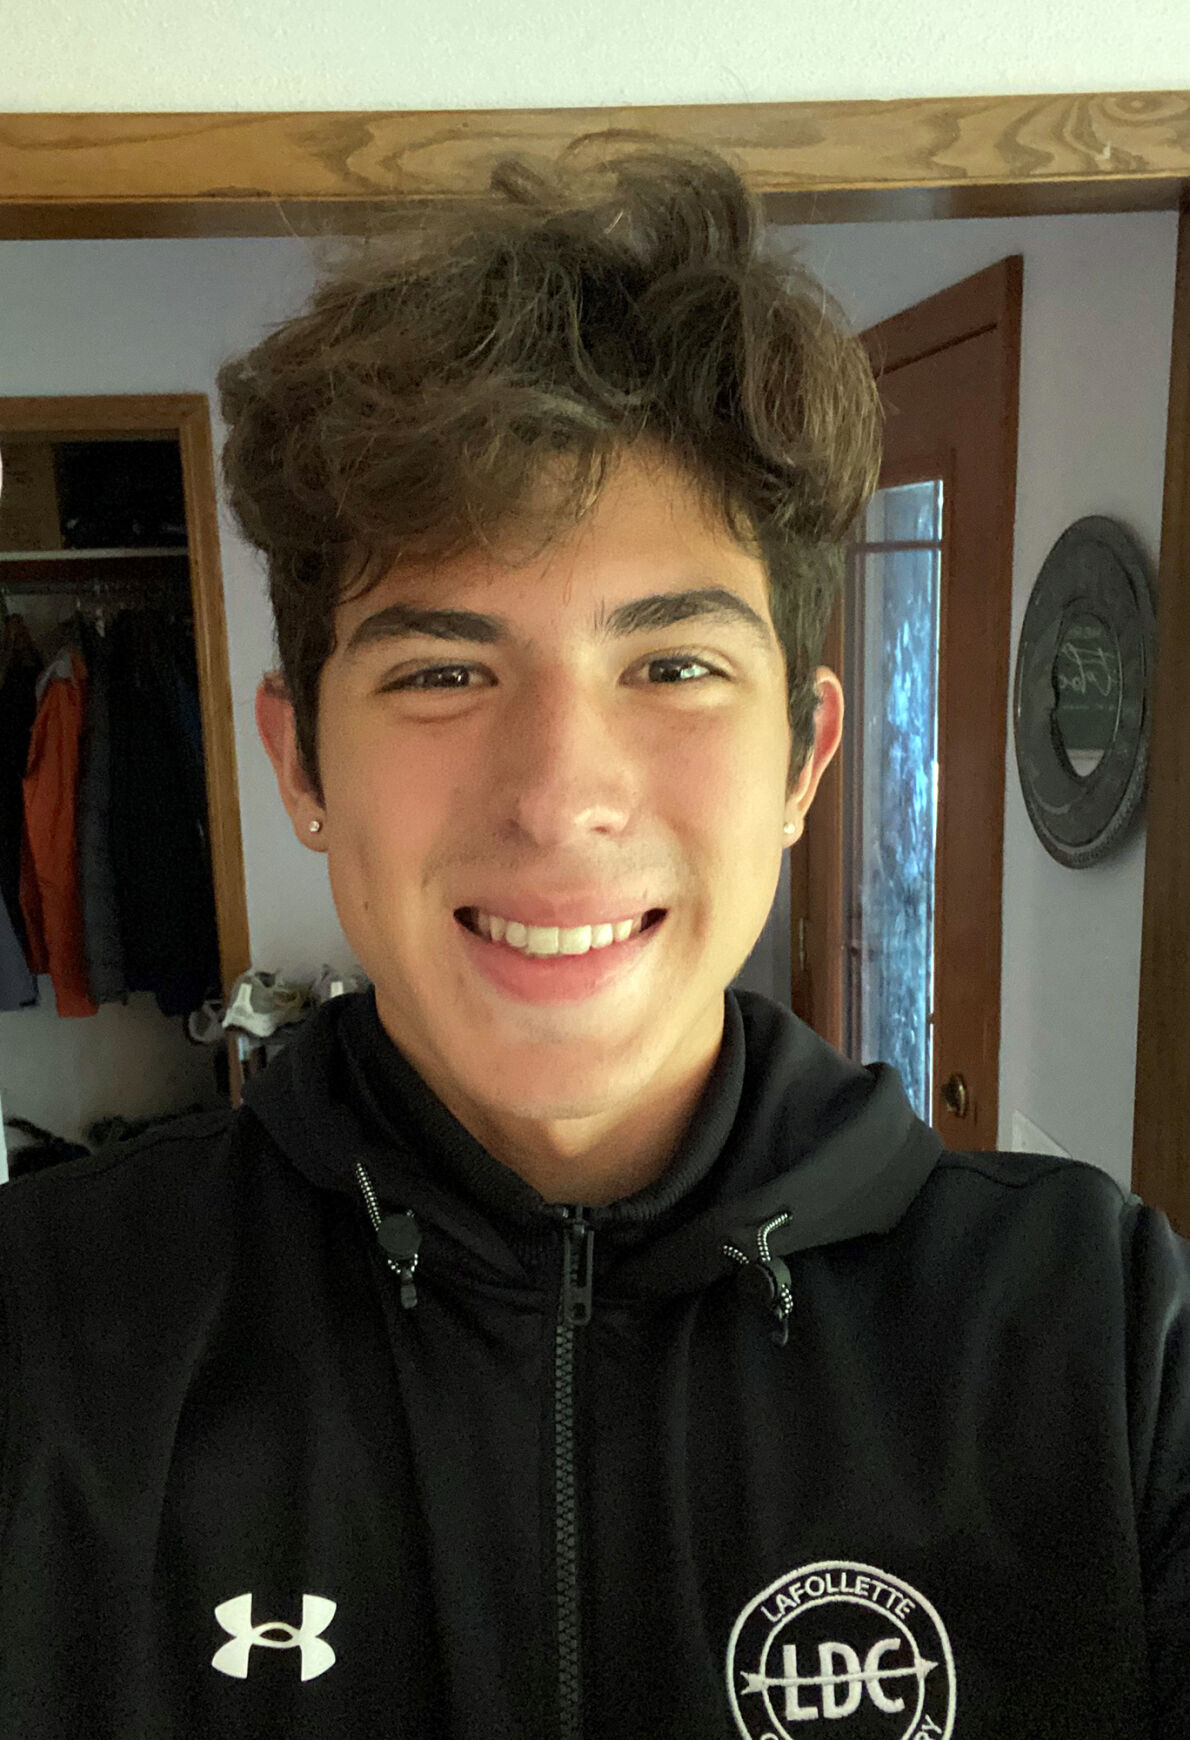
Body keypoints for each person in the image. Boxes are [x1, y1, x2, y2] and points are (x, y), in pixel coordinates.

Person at [0, 139, 1186, 1740]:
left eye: (674, 667)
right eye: (441, 672)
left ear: (803, 759)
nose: (561, 797)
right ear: (301, 765)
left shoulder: (1099, 1341)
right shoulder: (50, 1332)